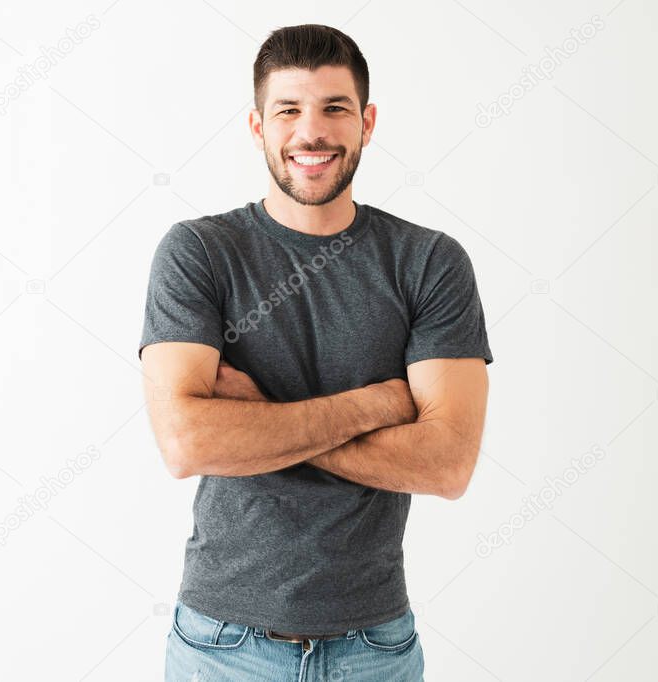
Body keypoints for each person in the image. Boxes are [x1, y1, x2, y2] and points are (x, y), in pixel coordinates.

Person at [138, 23, 493, 681]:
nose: (312, 132)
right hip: (221, 648)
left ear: (367, 122)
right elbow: (186, 443)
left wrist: (259, 420)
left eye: (334, 108)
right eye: (288, 110)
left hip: (374, 649)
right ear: (256, 126)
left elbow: (447, 464)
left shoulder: (427, 262)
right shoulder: (198, 253)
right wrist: (377, 405)